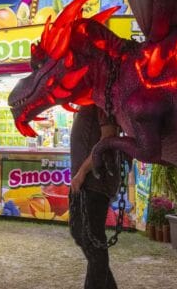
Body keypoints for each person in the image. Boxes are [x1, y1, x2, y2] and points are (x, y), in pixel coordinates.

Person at [69, 104, 121, 289]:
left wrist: (83, 171)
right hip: (83, 181)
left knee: (92, 241)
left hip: (95, 181)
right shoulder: (85, 103)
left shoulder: (102, 101)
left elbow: (108, 138)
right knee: (79, 233)